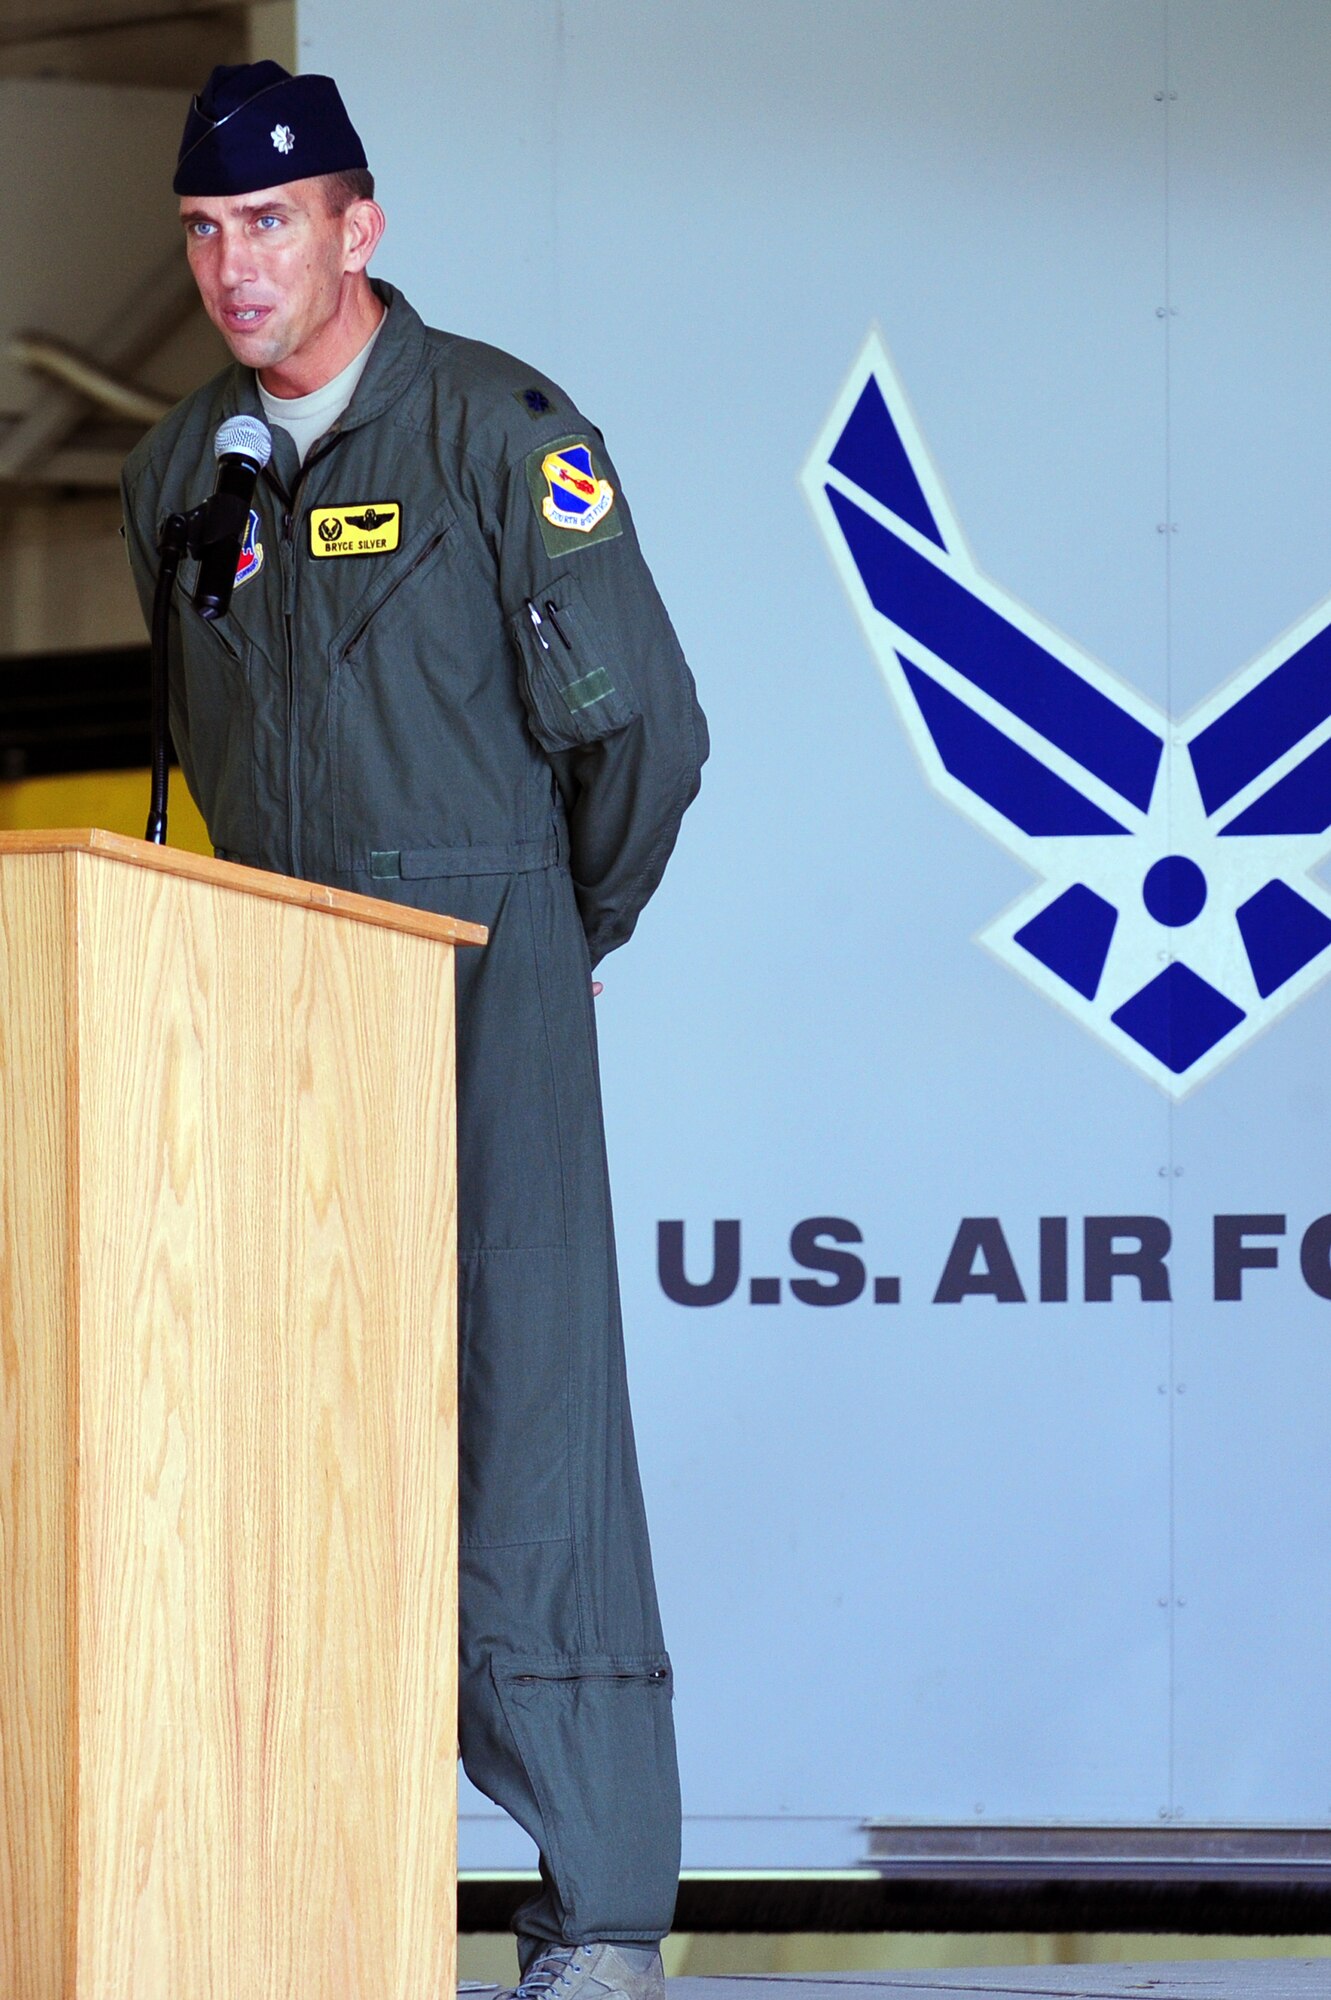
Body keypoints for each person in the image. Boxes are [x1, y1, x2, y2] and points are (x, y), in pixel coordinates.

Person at [121, 61, 707, 2000]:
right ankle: (303, 1879)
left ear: (358, 229)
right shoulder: (177, 474)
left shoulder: (497, 433)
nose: (232, 267)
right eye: (205, 233)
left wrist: (556, 927)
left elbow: (641, 733)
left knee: (526, 1419)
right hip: (270, 1003)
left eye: (268, 224)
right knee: (292, 1435)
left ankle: (598, 1911)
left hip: (483, 975)